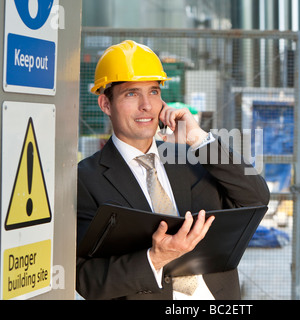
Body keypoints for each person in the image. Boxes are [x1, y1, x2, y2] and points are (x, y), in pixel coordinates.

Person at [76, 40, 270, 300]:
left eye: (154, 92)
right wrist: (155, 259)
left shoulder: (192, 158)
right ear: (105, 104)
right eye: (131, 93)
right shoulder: (85, 179)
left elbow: (256, 197)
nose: (146, 105)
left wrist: (200, 138)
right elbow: (86, 280)